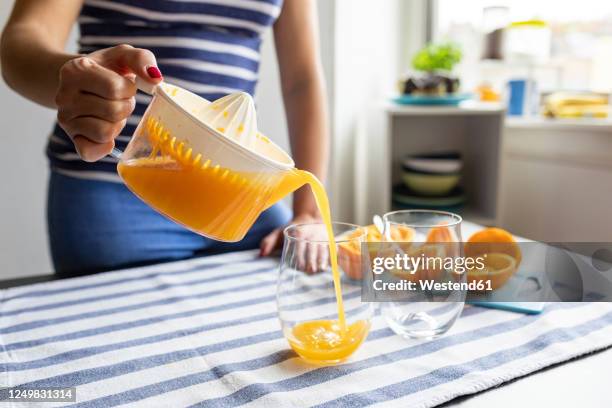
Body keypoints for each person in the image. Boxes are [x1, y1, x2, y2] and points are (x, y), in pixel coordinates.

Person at [1, 0, 329, 277]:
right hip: (115, 186)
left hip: (236, 193)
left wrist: (307, 213)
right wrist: (73, 77)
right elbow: (23, 40)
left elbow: (302, 80)